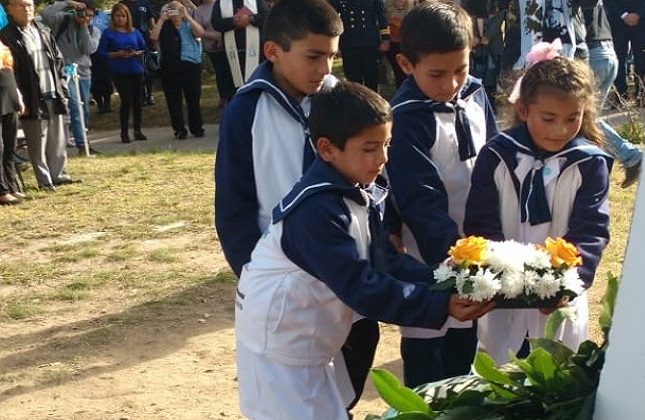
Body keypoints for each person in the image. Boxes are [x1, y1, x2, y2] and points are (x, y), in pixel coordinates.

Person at [235, 79, 495, 420]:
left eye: (387, 144)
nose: (383, 158)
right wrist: (440, 304)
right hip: (279, 348)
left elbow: (385, 261)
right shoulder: (316, 211)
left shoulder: (359, 188)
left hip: (310, 342)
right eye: (370, 148)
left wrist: (447, 277)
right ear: (327, 149)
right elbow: (362, 287)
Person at [216, 0, 381, 412]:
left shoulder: (340, 101)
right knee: (294, 386)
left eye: (331, 56)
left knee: (353, 359)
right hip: (286, 282)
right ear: (273, 51)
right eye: (313, 56)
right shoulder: (245, 111)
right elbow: (234, 208)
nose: (324, 68)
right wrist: (254, 274)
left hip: (347, 269)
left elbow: (372, 175)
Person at [464, 50, 612, 364]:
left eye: (572, 118)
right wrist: (499, 275)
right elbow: (480, 221)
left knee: (558, 375)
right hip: (503, 297)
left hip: (559, 297)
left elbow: (592, 229)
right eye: (549, 118)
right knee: (502, 375)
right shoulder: (497, 156)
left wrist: (567, 281)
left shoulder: (589, 163)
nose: (560, 129)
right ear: (523, 109)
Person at [385, 2, 498, 388]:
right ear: (406, 65)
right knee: (427, 355)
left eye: (461, 69)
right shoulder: (405, 118)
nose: (451, 83)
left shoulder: (477, 95)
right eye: (437, 73)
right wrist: (457, 269)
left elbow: (496, 162)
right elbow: (420, 199)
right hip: (430, 254)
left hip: (477, 247)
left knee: (466, 350)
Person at [0, 0, 81, 191]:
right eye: (20, 5)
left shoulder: (43, 29)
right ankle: (44, 180)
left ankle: (60, 175)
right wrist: (19, 96)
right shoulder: (6, 35)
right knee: (37, 139)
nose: (26, 9)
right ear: (10, 9)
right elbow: (11, 70)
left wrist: (62, 87)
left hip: (52, 89)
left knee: (57, 136)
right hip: (30, 94)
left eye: (29, 5)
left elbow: (58, 59)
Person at [583, 0, 642, 187]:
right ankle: (604, 166)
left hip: (592, 54)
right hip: (607, 51)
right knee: (587, 118)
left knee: (583, 119)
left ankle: (630, 156)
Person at [41, 0, 101, 156]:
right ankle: (82, 144)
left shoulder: (94, 30)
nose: (86, 17)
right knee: (75, 106)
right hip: (65, 71)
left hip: (84, 72)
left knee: (84, 109)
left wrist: (83, 27)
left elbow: (88, 48)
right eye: (83, 13)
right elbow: (45, 14)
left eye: (89, 15)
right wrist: (68, 3)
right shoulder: (63, 19)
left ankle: (84, 140)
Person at [150, 1, 205, 139]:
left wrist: (187, 16)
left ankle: (197, 127)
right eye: (171, 10)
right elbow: (153, 38)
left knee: (193, 97)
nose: (175, 12)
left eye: (177, 9)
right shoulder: (164, 26)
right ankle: (179, 129)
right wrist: (162, 19)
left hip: (191, 64)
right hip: (170, 66)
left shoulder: (188, 24)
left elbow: (200, 33)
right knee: (173, 99)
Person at [97, 2, 148, 143]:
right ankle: (124, 132)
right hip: (119, 71)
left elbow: (144, 48)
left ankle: (138, 130)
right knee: (126, 101)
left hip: (136, 69)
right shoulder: (108, 33)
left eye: (123, 16)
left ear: (128, 17)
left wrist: (136, 53)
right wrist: (117, 54)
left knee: (138, 101)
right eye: (118, 16)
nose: (121, 19)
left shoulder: (134, 32)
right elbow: (101, 53)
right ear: (113, 17)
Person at [210, 0, 269, 99]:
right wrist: (233, 22)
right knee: (234, 89)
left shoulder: (257, 1)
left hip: (256, 54)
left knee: (257, 88)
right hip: (231, 55)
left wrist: (251, 19)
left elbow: (267, 17)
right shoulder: (220, 2)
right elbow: (215, 23)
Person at [330, 0, 390, 92]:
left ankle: (373, 104)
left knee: (372, 78)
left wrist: (385, 39)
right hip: (349, 43)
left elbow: (381, 16)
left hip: (370, 42)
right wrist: (334, 42)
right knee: (353, 80)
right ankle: (355, 104)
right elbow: (332, 18)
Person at [604, 0, 645, 102]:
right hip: (617, 21)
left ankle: (641, 95)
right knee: (619, 59)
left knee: (642, 58)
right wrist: (624, 15)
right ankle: (621, 96)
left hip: (642, 22)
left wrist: (639, 14)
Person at [193, 0, 230, 114]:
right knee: (220, 73)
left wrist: (222, 37)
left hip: (229, 45)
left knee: (231, 72)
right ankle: (224, 98)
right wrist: (215, 36)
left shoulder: (223, 4)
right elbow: (197, 32)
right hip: (212, 48)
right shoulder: (200, 10)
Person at [0, 38, 24, 205]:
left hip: (9, 95)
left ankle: (12, 185)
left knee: (10, 145)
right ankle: (2, 190)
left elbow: (9, 68)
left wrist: (18, 96)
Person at [121, 0, 157, 105]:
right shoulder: (123, 4)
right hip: (130, 43)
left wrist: (154, 39)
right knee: (137, 72)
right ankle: (141, 96)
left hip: (146, 41)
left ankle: (150, 94)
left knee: (149, 69)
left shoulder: (145, 3)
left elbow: (151, 22)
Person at [90, 7, 113, 114]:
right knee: (95, 80)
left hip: (104, 51)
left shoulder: (102, 15)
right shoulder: (83, 16)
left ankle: (108, 104)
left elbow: (110, 30)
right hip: (90, 54)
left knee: (106, 78)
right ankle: (100, 104)